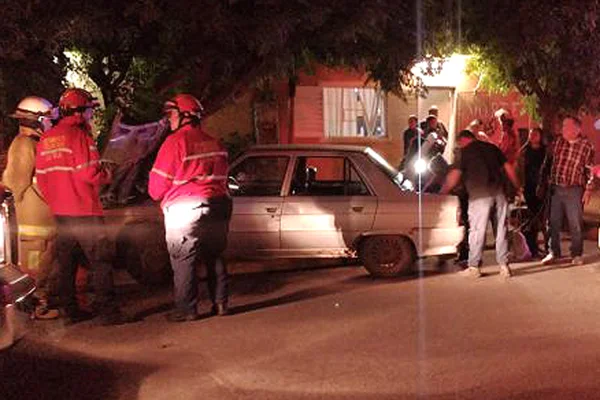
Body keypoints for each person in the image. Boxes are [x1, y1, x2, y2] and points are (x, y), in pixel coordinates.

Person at [35, 88, 129, 325]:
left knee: (66, 263)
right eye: (88, 110)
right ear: (79, 112)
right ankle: (108, 312)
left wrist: (57, 201)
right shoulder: (80, 137)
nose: (90, 115)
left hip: (61, 213)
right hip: (85, 211)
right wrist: (108, 173)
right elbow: (89, 173)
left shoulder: (46, 139)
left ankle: (70, 311)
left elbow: (43, 179)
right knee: (101, 261)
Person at [149, 94, 232, 322]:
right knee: (215, 255)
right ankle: (221, 304)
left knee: (184, 259)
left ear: (185, 116)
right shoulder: (215, 142)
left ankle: (186, 310)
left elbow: (156, 188)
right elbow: (223, 177)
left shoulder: (175, 142)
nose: (169, 119)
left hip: (186, 208)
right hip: (218, 204)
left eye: (172, 114)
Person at [2, 96, 59, 319]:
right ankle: (35, 307)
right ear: (34, 120)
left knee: (45, 266)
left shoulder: (35, 143)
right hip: (34, 226)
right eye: (46, 119)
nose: (49, 123)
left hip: (44, 221)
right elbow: (15, 182)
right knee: (34, 270)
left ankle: (40, 302)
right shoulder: (23, 145)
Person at [440, 130, 520, 278]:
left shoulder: (464, 152)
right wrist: (517, 186)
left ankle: (474, 267)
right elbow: (508, 168)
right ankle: (504, 266)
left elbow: (455, 175)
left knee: (477, 231)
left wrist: (442, 192)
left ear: (463, 140)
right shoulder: (492, 148)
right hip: (499, 194)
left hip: (479, 196)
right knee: (501, 229)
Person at [540, 116, 594, 266]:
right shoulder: (558, 142)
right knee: (553, 222)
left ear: (576, 129)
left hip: (574, 189)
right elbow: (548, 160)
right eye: (562, 126)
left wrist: (588, 189)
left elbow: (589, 171)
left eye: (566, 126)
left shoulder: (586, 146)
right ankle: (553, 251)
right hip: (556, 189)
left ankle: (576, 253)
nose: (562, 129)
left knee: (575, 223)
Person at [520, 128, 547, 258]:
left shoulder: (545, 151)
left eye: (535, 134)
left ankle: (546, 247)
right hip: (529, 188)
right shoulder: (525, 151)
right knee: (531, 217)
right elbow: (520, 169)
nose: (533, 136)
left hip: (542, 188)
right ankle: (532, 247)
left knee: (542, 218)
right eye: (531, 134)